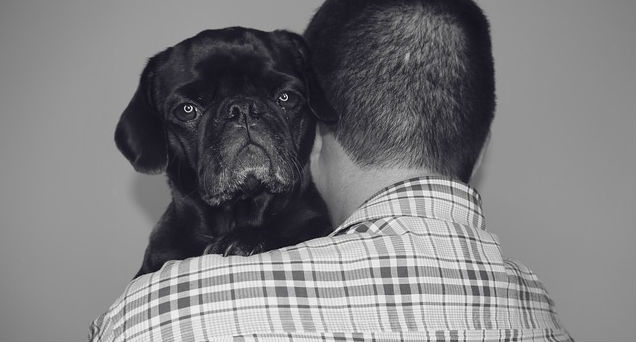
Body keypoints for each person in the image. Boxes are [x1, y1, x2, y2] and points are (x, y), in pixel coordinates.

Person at [90, 0, 573, 341]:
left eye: (281, 99)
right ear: (483, 147)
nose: (243, 120)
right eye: (191, 111)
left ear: (320, 127)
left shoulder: (152, 317)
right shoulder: (544, 316)